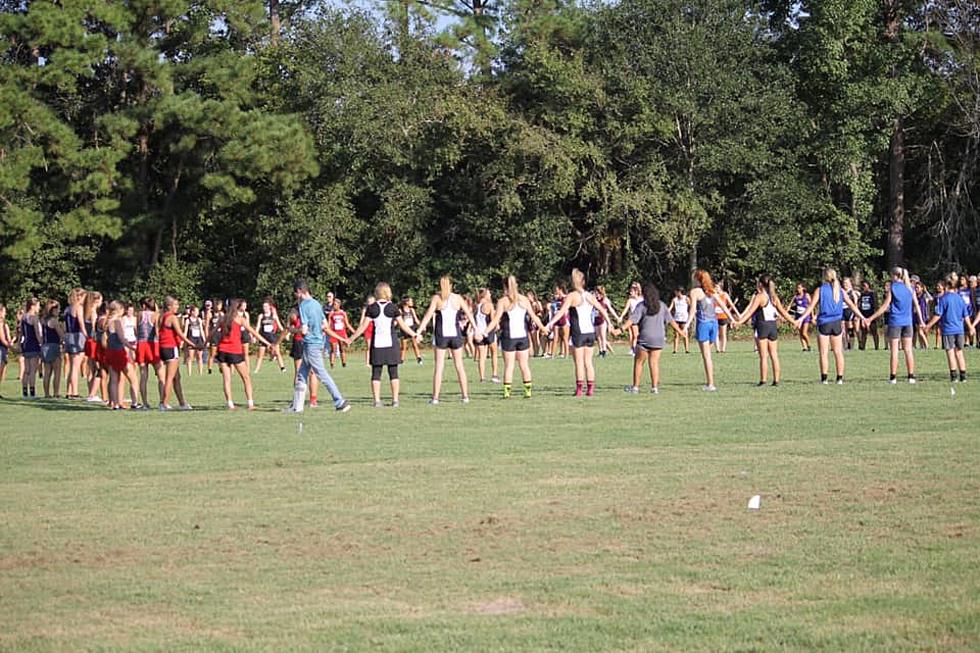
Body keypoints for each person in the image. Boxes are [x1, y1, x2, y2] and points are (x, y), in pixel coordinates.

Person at [546, 269, 617, 396]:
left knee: (579, 362)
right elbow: (603, 310)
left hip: (578, 333)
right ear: (583, 282)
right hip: (590, 333)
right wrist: (610, 324)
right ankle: (590, 389)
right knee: (588, 362)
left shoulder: (572, 296)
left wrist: (550, 323)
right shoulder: (590, 296)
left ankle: (579, 389)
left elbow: (562, 312)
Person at [348, 282, 419, 407]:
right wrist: (414, 334)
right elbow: (403, 325)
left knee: (376, 373)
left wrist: (351, 338)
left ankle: (377, 401)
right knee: (393, 372)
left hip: (377, 344)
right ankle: (395, 400)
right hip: (391, 344)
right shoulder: (393, 307)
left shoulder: (372, 308)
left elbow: (363, 327)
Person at [287, 279, 352, 413]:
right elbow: (325, 326)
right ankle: (296, 407)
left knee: (321, 373)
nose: (295, 296)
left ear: (299, 291)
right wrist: (342, 338)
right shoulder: (317, 304)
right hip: (317, 343)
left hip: (311, 344)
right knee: (301, 375)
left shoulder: (304, 306)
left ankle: (340, 401)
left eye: (295, 293)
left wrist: (292, 330)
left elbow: (304, 330)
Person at [794, 268, 866, 384]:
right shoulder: (840, 290)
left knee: (823, 352)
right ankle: (840, 378)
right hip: (837, 323)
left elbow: (811, 306)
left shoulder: (820, 290)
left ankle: (824, 379)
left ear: (824, 277)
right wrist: (863, 317)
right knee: (838, 352)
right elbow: (852, 305)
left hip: (824, 323)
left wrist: (801, 318)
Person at [483, 276, 550, 398]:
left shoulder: (502, 301)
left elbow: (495, 320)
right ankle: (528, 391)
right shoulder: (524, 300)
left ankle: (507, 392)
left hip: (509, 337)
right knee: (524, 365)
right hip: (523, 337)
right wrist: (543, 328)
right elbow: (534, 317)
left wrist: (485, 332)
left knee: (509, 366)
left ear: (504, 287)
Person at [416, 276, 477, 404]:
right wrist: (476, 329)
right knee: (459, 366)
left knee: (439, 367)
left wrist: (419, 331)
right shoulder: (457, 298)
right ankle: (465, 396)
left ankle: (435, 398)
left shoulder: (437, 299)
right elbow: (469, 314)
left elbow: (427, 316)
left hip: (441, 336)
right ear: (451, 285)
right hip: (455, 336)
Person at [731, 276, 797, 386]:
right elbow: (783, 312)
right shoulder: (774, 297)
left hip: (762, 326)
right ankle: (776, 380)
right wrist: (793, 321)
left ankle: (763, 380)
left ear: (760, 284)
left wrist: (739, 322)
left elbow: (750, 312)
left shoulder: (760, 297)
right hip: (772, 326)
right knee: (774, 355)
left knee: (763, 356)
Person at [865, 267, 924, 384]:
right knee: (908, 350)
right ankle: (911, 376)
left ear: (894, 276)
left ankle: (893, 377)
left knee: (894, 350)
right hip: (908, 322)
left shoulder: (893, 288)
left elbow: (884, 306)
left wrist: (870, 318)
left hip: (895, 322)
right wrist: (921, 320)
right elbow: (916, 305)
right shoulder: (910, 288)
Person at [620, 283, 680, 394]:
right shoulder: (662, 305)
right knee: (654, 363)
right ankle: (654, 388)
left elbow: (632, 320)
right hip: (659, 338)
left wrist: (619, 330)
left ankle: (635, 387)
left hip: (645, 337)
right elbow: (671, 320)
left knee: (639, 362)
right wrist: (680, 331)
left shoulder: (642, 306)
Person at [216, 298, 273, 410]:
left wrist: (203, 344)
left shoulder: (222, 319)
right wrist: (268, 344)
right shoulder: (240, 319)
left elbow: (212, 333)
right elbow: (254, 332)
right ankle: (250, 404)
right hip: (235, 351)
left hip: (222, 351)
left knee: (227, 379)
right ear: (237, 308)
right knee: (246, 378)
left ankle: (230, 404)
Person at [924, 279, 974, 383]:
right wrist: (970, 327)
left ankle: (954, 376)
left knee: (950, 352)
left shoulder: (943, 299)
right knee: (959, 352)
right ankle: (963, 376)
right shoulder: (960, 299)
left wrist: (928, 325)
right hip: (959, 330)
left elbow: (938, 315)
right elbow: (966, 316)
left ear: (946, 287)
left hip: (948, 330)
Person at [157, 296, 196, 410]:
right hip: (170, 347)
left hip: (163, 348)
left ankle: (182, 403)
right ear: (169, 306)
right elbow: (180, 334)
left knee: (177, 377)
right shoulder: (172, 318)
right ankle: (164, 403)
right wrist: (192, 344)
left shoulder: (162, 316)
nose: (177, 307)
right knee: (170, 377)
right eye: (175, 305)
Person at [689, 270, 723, 391]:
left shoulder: (695, 292)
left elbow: (693, 310)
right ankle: (710, 382)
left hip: (703, 324)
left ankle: (710, 384)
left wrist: (686, 325)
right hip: (714, 324)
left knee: (706, 356)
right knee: (709, 355)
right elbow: (723, 306)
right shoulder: (712, 291)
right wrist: (735, 318)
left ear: (697, 279)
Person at [102, 301, 139, 410]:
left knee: (114, 379)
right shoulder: (117, 322)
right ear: (119, 310)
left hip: (110, 351)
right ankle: (135, 402)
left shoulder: (108, 321)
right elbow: (122, 339)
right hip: (119, 352)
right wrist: (133, 348)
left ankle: (115, 404)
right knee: (133, 378)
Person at [135, 297, 163, 410]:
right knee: (161, 375)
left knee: (143, 375)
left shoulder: (139, 315)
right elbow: (157, 331)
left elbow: (136, 329)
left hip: (141, 344)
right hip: (153, 344)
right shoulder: (156, 315)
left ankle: (145, 402)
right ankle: (162, 401)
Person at [62, 288, 88, 399]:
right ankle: (75, 392)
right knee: (75, 367)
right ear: (79, 297)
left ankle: (69, 391)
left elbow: (64, 325)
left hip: (68, 335)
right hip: (77, 336)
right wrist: (87, 336)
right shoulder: (79, 308)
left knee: (72, 365)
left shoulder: (67, 309)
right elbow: (81, 324)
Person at [473, 288, 500, 383]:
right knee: (494, 353)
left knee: (482, 356)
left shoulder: (476, 306)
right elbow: (493, 319)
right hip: (488, 331)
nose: (490, 295)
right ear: (485, 295)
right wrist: (497, 325)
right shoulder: (489, 305)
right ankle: (494, 375)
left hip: (479, 332)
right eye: (489, 293)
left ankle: (482, 377)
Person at [40, 300, 65, 398]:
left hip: (45, 346)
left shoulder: (42, 320)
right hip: (54, 346)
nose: (59, 311)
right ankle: (56, 393)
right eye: (58, 309)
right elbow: (61, 334)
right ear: (53, 310)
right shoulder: (54, 321)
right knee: (57, 371)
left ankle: (46, 394)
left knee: (47, 372)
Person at [82, 291, 104, 402]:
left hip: (88, 342)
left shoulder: (86, 310)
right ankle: (92, 394)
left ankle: (91, 392)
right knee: (99, 368)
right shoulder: (93, 312)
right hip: (94, 342)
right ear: (96, 300)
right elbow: (95, 329)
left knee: (91, 368)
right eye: (101, 300)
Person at [19, 298, 43, 398]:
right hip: (33, 344)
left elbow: (21, 332)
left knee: (26, 370)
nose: (39, 308)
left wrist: (20, 344)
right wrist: (41, 343)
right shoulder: (34, 318)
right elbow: (37, 332)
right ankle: (32, 392)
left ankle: (25, 392)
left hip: (26, 344)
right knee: (33, 370)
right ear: (33, 306)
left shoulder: (23, 317)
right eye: (38, 305)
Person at [254, 299, 285, 373]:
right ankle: (256, 370)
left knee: (277, 353)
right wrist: (255, 336)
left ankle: (283, 368)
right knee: (260, 355)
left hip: (272, 337)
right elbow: (258, 327)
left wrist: (285, 333)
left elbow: (280, 326)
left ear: (269, 307)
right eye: (263, 306)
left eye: (266, 306)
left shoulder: (274, 316)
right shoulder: (261, 316)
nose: (265, 308)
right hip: (264, 337)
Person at [712, 280, 740, 353]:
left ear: (720, 288)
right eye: (715, 287)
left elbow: (731, 305)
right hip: (714, 316)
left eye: (717, 287)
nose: (716, 289)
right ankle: (717, 349)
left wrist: (737, 313)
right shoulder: (713, 295)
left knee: (723, 333)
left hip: (723, 316)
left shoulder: (725, 295)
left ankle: (723, 349)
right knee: (715, 333)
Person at [617, 282, 643, 355]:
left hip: (639, 320)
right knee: (632, 335)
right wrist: (621, 317)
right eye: (630, 291)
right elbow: (626, 309)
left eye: (632, 291)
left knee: (636, 335)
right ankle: (633, 349)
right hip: (631, 319)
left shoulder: (641, 300)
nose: (630, 293)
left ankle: (635, 348)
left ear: (636, 292)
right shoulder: (630, 300)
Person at [327, 299, 353, 369]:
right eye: (333, 305)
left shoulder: (343, 313)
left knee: (342, 348)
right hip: (334, 333)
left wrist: (354, 331)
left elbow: (347, 324)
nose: (334, 306)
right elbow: (328, 324)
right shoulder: (331, 313)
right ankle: (332, 364)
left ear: (339, 305)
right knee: (333, 349)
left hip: (342, 333)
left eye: (335, 304)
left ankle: (344, 363)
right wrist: (327, 331)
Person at [593, 285, 617, 357]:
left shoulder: (605, 300)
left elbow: (610, 309)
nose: (597, 295)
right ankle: (600, 350)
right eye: (596, 293)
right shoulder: (594, 300)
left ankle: (604, 350)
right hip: (596, 319)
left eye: (598, 293)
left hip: (603, 320)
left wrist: (616, 317)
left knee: (603, 336)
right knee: (598, 336)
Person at [183, 304, 206, 375]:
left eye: (198, 312)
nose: (197, 313)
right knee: (190, 357)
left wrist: (205, 340)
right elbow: (185, 331)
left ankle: (200, 373)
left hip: (198, 339)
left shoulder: (199, 320)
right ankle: (189, 373)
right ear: (192, 312)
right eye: (196, 311)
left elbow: (202, 330)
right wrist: (183, 340)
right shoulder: (188, 320)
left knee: (199, 356)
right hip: (191, 339)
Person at [399, 297, 423, 365]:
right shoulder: (401, 310)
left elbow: (416, 319)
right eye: (410, 301)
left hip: (412, 328)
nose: (412, 302)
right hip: (404, 329)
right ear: (406, 302)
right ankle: (401, 360)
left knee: (415, 344)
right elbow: (399, 320)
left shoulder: (411, 310)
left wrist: (421, 326)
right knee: (403, 346)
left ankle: (419, 358)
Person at [857, 280, 880, 350]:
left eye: (865, 285)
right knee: (864, 332)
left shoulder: (872, 293)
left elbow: (876, 304)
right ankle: (862, 347)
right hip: (863, 315)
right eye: (862, 286)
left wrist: (877, 315)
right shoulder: (861, 294)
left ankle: (876, 347)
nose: (864, 287)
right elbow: (859, 304)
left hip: (872, 315)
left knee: (874, 331)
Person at [547, 286, 569, 358]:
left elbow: (567, 300)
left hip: (563, 319)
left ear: (560, 290)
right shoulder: (555, 299)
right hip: (556, 320)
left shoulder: (564, 298)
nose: (556, 292)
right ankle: (553, 355)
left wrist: (562, 295)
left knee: (565, 337)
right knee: (555, 337)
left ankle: (566, 354)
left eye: (557, 290)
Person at [669, 288, 691, 354]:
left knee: (685, 334)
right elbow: (670, 307)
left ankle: (687, 350)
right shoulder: (674, 300)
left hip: (684, 318)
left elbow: (691, 306)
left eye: (676, 291)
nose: (675, 293)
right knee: (676, 334)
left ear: (680, 292)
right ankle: (675, 350)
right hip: (676, 318)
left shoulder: (686, 298)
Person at [791, 283, 812, 352]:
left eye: (800, 287)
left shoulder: (806, 295)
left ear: (803, 288)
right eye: (797, 288)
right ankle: (804, 347)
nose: (798, 289)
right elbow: (789, 305)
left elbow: (811, 305)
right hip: (798, 316)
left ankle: (809, 345)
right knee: (800, 332)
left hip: (805, 316)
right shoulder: (795, 297)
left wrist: (813, 315)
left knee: (804, 333)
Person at [206, 299, 224, 375]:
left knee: (220, 353)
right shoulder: (210, 314)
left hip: (220, 336)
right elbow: (207, 326)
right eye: (218, 305)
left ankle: (221, 367)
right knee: (212, 354)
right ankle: (210, 369)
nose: (219, 307)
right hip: (214, 336)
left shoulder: (222, 314)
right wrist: (207, 337)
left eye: (220, 305)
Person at [526, 290, 546, 357]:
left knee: (535, 337)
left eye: (528, 296)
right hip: (529, 321)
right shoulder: (528, 304)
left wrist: (535, 320)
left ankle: (537, 352)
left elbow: (540, 313)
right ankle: (532, 352)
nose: (527, 298)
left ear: (532, 296)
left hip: (534, 322)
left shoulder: (537, 303)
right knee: (530, 338)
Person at [842, 277, 859, 350]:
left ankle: (851, 345)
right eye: (844, 283)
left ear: (850, 283)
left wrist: (856, 314)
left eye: (846, 283)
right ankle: (845, 345)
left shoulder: (852, 292)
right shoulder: (841, 291)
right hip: (842, 311)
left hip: (850, 311)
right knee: (842, 329)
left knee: (850, 329)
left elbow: (855, 303)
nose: (845, 284)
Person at [0, 305, 10, 396]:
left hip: (4, 349)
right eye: (4, 311)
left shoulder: (4, 324)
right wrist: (12, 348)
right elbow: (2, 339)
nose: (5, 313)